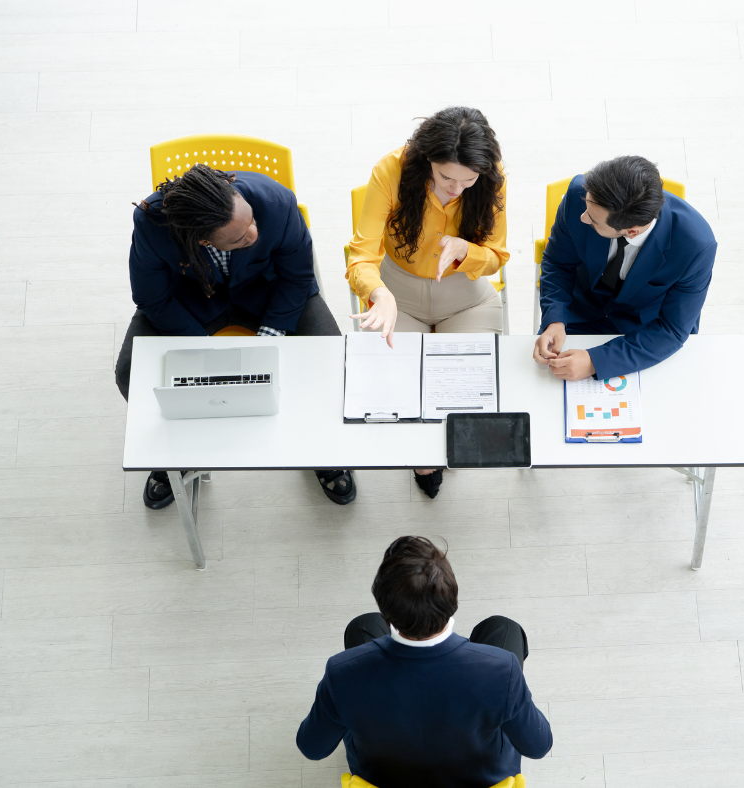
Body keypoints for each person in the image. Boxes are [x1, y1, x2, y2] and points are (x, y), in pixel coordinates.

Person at [116, 164, 356, 508]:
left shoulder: (277, 201)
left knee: (331, 359)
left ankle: (322, 450)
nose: (254, 234)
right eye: (239, 238)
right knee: (130, 372)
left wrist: (270, 336)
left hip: (271, 293)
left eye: (253, 221)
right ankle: (180, 454)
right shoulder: (152, 223)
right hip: (191, 302)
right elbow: (152, 297)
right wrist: (201, 350)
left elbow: (297, 276)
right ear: (202, 239)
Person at [296, 536, 552, 787]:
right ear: (452, 601)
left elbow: (313, 748)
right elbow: (538, 746)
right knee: (502, 628)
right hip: (480, 777)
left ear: (387, 614)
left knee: (363, 626)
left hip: (381, 776)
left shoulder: (341, 673)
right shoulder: (502, 669)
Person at [347, 106, 509, 499]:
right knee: (396, 391)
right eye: (445, 177)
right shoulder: (391, 171)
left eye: (468, 180)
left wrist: (465, 249)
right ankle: (424, 457)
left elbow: (497, 256)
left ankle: (445, 448)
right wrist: (378, 293)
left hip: (465, 296)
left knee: (466, 389)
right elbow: (360, 256)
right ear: (427, 161)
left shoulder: (493, 177)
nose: (456, 190)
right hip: (397, 292)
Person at [533, 155, 717, 381]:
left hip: (640, 334)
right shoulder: (578, 195)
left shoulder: (696, 246)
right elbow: (558, 262)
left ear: (632, 231)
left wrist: (595, 362)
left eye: (592, 219)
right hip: (576, 314)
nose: (583, 218)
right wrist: (555, 319)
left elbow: (672, 329)